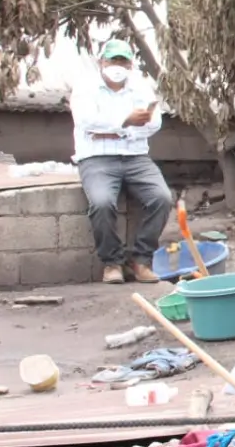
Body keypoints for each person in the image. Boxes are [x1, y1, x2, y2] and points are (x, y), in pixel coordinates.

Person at [70, 38, 172, 284]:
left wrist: (115, 129)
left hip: (136, 157)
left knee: (162, 198)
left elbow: (153, 123)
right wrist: (126, 122)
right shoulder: (86, 87)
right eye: (112, 60)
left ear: (130, 64)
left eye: (123, 61)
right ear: (101, 61)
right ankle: (112, 262)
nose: (118, 65)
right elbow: (87, 122)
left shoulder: (140, 86)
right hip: (96, 158)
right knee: (102, 203)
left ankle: (140, 260)